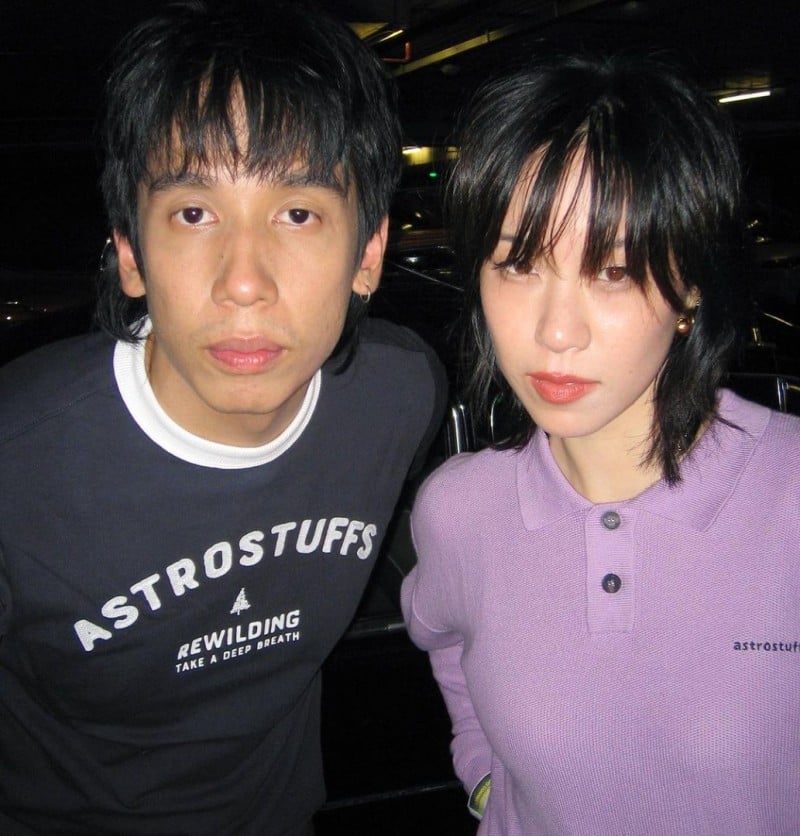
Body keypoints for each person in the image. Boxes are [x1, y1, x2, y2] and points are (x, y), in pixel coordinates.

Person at [0, 2, 445, 833]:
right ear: (130, 253)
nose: (244, 282)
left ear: (369, 254)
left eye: (298, 213)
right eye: (194, 213)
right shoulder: (19, 465)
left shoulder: (398, 393)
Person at [402, 51, 800, 835]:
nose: (556, 332)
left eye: (613, 272)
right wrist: (485, 777)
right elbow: (446, 645)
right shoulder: (459, 509)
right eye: (518, 264)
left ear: (692, 286)